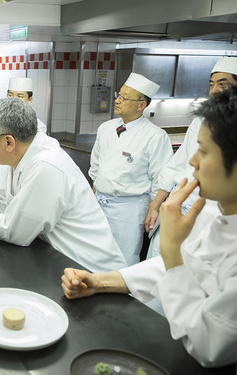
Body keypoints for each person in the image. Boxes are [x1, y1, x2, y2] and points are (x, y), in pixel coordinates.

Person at [62, 88, 237, 368]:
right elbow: (181, 266)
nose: (192, 161)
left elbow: (209, 346)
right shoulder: (217, 217)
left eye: (203, 151)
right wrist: (100, 282)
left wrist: (170, 249)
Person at [0, 98, 126, 272]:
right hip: (58, 258)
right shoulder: (17, 154)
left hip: (90, 267)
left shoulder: (46, 166)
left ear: (8, 142)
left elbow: (15, 231)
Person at [144, 57, 237, 259]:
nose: (214, 91)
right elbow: (177, 166)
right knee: (157, 260)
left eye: (223, 84)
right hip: (177, 207)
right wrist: (156, 204)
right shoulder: (200, 122)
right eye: (212, 85)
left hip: (208, 215)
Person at [89, 72, 172, 265]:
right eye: (119, 95)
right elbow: (96, 167)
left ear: (141, 105)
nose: (117, 100)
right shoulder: (106, 128)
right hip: (100, 203)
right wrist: (95, 194)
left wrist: (154, 207)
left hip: (129, 209)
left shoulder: (155, 136)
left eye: (124, 98)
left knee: (124, 257)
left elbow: (161, 177)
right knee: (95, 252)